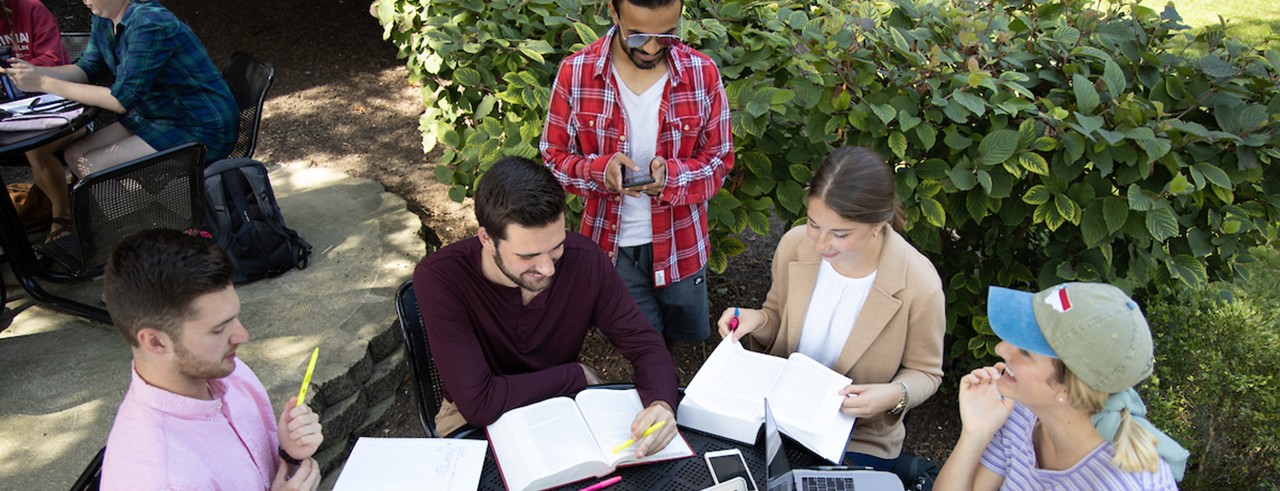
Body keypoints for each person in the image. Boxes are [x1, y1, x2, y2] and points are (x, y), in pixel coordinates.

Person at [413, 156, 681, 458]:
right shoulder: (441, 278)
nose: (548, 268)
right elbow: (479, 403)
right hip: (473, 417)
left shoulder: (585, 261)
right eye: (528, 255)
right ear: (487, 239)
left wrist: (661, 403)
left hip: (561, 404)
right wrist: (575, 376)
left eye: (556, 247)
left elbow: (644, 344)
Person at [717, 147, 946, 474]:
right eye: (814, 224)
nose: (821, 244)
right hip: (778, 416)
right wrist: (755, 320)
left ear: (878, 224)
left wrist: (893, 395)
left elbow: (926, 373)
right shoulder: (795, 246)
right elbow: (777, 319)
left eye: (840, 234)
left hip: (857, 437)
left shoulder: (919, 284)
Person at [541, 0, 733, 346]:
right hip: (612, 247)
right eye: (638, 36)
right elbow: (553, 160)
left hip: (682, 244)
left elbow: (719, 162)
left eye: (668, 35)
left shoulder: (702, 73)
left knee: (686, 336)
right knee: (643, 344)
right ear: (614, 14)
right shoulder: (577, 72)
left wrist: (671, 178)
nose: (652, 47)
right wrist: (599, 172)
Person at [100, 229, 323, 490]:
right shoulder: (159, 477)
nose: (242, 335)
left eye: (235, 318)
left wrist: (288, 455)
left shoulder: (227, 368)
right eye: (218, 329)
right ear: (156, 341)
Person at [2, 0, 236, 242]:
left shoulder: (150, 23)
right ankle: (132, 228)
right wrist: (33, 71)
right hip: (158, 116)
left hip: (199, 125)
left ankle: (141, 241)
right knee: (75, 156)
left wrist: (43, 84)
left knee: (92, 164)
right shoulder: (104, 17)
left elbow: (119, 100)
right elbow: (86, 68)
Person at [935, 283, 1189, 490]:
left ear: (1066, 389)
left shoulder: (1125, 484)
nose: (1001, 348)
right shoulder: (1024, 412)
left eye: (1025, 352)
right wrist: (975, 433)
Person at [0, 0, 70, 242]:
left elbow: (54, 62)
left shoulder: (30, 8)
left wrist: (12, 70)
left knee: (35, 148)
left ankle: (62, 218)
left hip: (58, 108)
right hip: (9, 116)